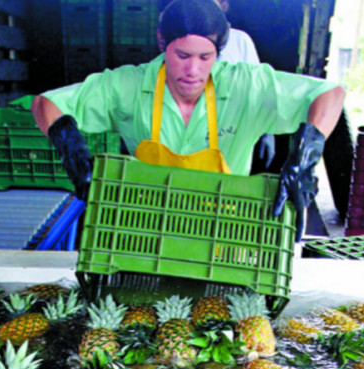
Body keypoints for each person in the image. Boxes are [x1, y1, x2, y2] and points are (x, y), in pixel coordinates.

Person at [31, 0, 344, 240]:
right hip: (145, 234)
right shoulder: (127, 86)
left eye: (205, 58)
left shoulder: (245, 85)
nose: (192, 70)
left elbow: (330, 94)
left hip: (225, 236)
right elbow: (46, 104)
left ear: (219, 51)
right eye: (182, 56)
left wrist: (304, 158)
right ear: (161, 42)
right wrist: (76, 159)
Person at [211, 0, 276, 174]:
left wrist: (267, 132)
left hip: (233, 133)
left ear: (224, 5)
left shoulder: (240, 41)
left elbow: (259, 89)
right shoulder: (184, 39)